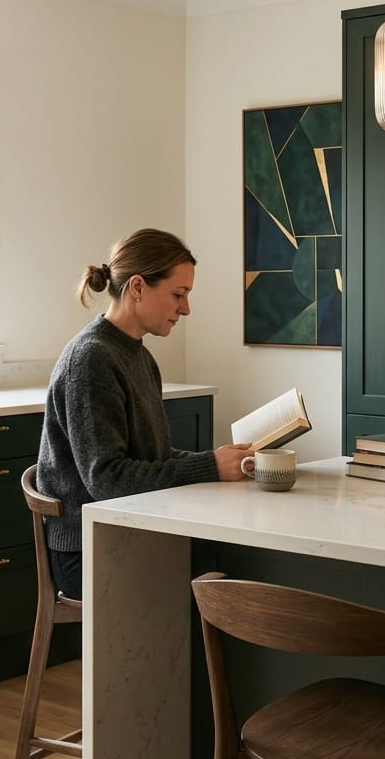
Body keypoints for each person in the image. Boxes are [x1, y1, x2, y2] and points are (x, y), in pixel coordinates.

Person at [36, 227, 254, 599]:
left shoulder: (138, 356)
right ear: (137, 287)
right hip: (87, 548)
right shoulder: (90, 359)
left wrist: (222, 463)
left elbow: (153, 459)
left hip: (128, 526)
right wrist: (209, 467)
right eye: (178, 294)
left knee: (235, 560)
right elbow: (107, 480)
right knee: (229, 569)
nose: (185, 309)